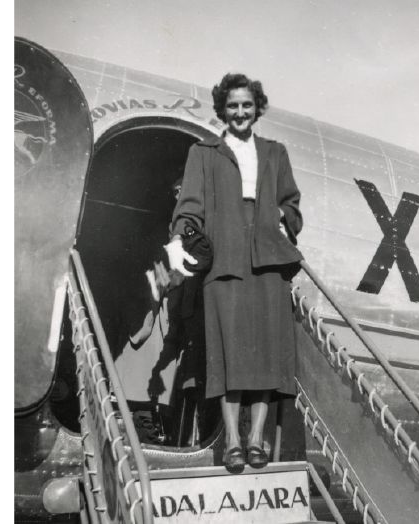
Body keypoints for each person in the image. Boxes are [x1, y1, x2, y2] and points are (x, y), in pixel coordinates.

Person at [166, 73, 303, 471]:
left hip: (267, 262)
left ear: (256, 108)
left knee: (264, 354)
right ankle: (231, 442)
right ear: (222, 110)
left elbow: (293, 204)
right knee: (228, 354)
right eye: (232, 106)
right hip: (224, 257)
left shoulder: (275, 153)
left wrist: (280, 214)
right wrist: (177, 239)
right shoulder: (204, 152)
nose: (240, 112)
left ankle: (256, 440)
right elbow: (189, 205)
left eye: (246, 105)